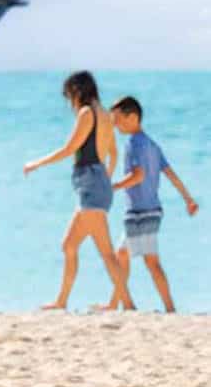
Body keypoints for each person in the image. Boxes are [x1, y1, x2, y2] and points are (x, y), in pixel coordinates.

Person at [23, 71, 132, 310]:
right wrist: (106, 178)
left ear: (77, 90)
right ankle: (61, 301)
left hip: (90, 184)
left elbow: (69, 148)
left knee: (106, 252)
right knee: (69, 245)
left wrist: (36, 163)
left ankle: (129, 305)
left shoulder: (86, 113)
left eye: (69, 95)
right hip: (96, 182)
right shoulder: (104, 114)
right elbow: (113, 152)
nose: (69, 101)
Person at [99, 96, 199, 312]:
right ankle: (121, 304)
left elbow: (138, 176)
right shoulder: (152, 144)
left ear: (133, 117)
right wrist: (187, 198)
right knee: (124, 255)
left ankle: (166, 308)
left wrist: (113, 187)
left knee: (149, 263)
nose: (115, 125)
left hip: (140, 213)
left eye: (117, 120)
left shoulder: (134, 144)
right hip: (150, 211)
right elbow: (170, 173)